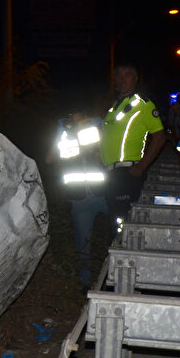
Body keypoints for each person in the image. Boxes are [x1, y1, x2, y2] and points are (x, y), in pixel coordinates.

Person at [46, 110, 110, 288]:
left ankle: (115, 274)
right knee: (83, 244)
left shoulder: (96, 129)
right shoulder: (63, 135)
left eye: (80, 116)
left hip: (103, 194)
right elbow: (49, 159)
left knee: (118, 233)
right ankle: (85, 282)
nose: (76, 120)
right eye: (72, 117)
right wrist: (60, 136)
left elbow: (107, 155)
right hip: (79, 199)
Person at [101, 63, 168, 231]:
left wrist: (142, 167)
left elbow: (160, 137)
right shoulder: (115, 106)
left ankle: (124, 255)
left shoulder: (143, 104)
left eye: (127, 75)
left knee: (123, 224)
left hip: (127, 173)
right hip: (111, 173)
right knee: (115, 223)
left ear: (136, 79)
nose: (122, 79)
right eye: (119, 75)